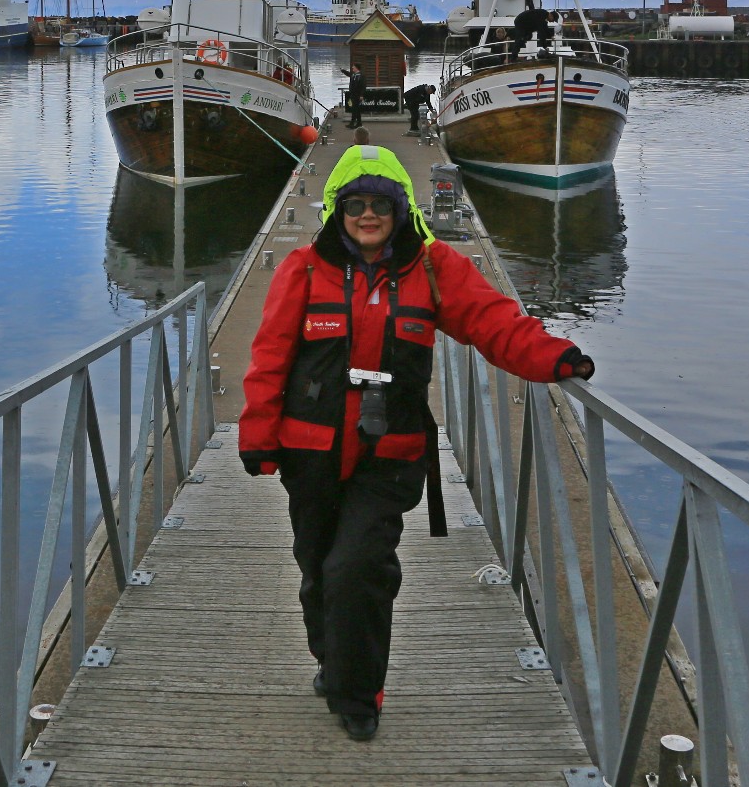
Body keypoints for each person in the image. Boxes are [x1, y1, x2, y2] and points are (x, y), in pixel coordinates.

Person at [238, 144, 595, 743]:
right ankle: (332, 660)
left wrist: (555, 357)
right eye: (356, 203)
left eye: (382, 203)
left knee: (359, 568)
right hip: (312, 454)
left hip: (390, 455)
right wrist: (257, 434)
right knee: (318, 569)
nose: (368, 214)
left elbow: (494, 323)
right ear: (338, 209)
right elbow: (270, 356)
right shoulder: (300, 268)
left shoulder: (434, 268)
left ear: (401, 209)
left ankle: (359, 693)